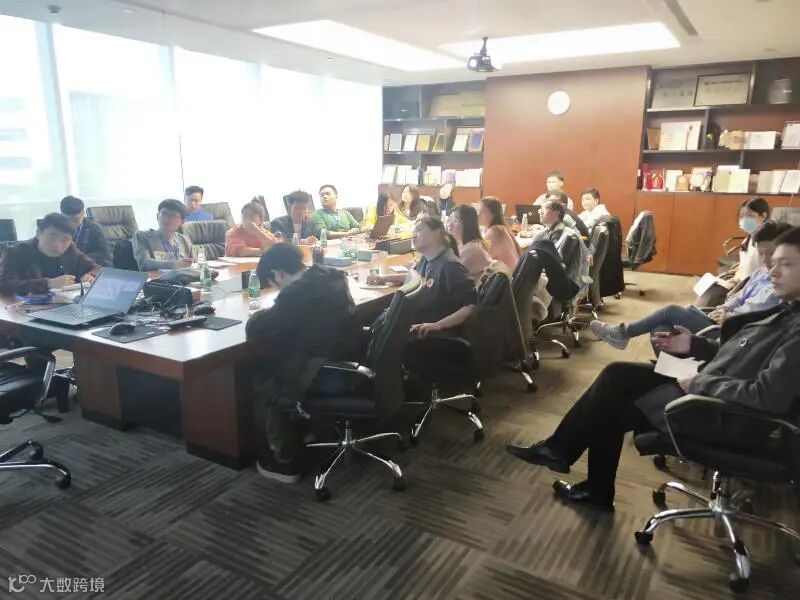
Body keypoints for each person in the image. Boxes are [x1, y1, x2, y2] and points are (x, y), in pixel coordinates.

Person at [507, 225, 800, 510]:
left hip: (724, 414)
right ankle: (568, 461)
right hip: (712, 387)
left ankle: (572, 465)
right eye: (774, 262)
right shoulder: (787, 312)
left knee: (611, 402)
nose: (772, 271)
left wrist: (698, 382)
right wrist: (694, 345)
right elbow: (741, 355)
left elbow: (766, 396)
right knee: (615, 377)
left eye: (786, 264)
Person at [246, 243, 362, 482]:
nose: (277, 290)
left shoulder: (297, 292)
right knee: (284, 363)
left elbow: (259, 328)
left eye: (274, 284)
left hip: (329, 372)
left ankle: (284, 461)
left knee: (265, 378)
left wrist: (257, 314)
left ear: (278, 274)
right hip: (352, 361)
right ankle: (309, 430)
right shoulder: (329, 276)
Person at [590, 221, 791, 351]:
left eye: (771, 254)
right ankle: (669, 373)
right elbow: (739, 298)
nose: (766, 260)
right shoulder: (761, 272)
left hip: (733, 332)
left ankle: (623, 333)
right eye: (762, 254)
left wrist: (729, 318)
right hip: (722, 319)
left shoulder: (782, 287)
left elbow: (759, 319)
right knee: (660, 329)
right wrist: (724, 309)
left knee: (670, 311)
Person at [369, 217, 477, 337]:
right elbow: (414, 278)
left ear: (437, 233)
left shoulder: (451, 266)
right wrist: (383, 278)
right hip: (414, 323)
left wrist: (438, 325)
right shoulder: (426, 259)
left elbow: (471, 306)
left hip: (432, 335)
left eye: (419, 230)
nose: (414, 236)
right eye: (413, 232)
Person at [0, 213, 100, 296]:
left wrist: (90, 275)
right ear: (39, 233)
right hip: (28, 307)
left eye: (65, 239)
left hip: (64, 304)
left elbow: (96, 268)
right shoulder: (15, 252)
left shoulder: (70, 248)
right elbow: (4, 285)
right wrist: (48, 283)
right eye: (52, 236)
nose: (57, 245)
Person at [132, 199, 194, 271]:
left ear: (182, 222)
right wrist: (174, 264)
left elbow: (195, 263)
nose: (167, 218)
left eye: (174, 216)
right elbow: (144, 264)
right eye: (164, 214)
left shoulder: (184, 240)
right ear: (157, 216)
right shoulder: (142, 236)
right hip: (158, 278)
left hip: (183, 277)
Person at [59, 195, 111, 266]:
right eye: (68, 220)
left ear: (83, 214)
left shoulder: (94, 228)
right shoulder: (55, 229)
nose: (72, 224)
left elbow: (104, 253)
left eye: (76, 220)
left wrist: (81, 258)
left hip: (87, 264)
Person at [446, 205, 492, 283]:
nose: (449, 224)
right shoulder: (461, 244)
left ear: (468, 224)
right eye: (449, 219)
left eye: (456, 221)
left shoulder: (472, 249)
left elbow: (450, 275)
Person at [479, 196, 520, 271]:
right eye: (479, 210)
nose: (479, 214)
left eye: (483, 211)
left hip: (506, 276)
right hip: (509, 274)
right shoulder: (500, 229)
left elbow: (480, 260)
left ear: (493, 214)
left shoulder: (494, 232)